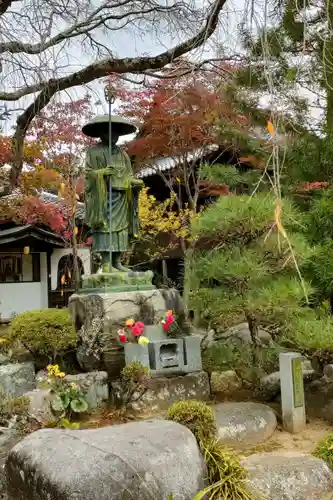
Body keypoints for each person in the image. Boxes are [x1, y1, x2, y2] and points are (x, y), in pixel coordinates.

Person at [82, 115, 143, 272]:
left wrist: (135, 183)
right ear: (102, 134)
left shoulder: (122, 154)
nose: (114, 137)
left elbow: (128, 175)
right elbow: (88, 174)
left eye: (116, 134)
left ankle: (117, 262)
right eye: (110, 133)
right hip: (104, 197)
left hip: (121, 197)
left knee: (121, 229)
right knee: (105, 228)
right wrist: (102, 172)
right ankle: (106, 263)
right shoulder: (93, 152)